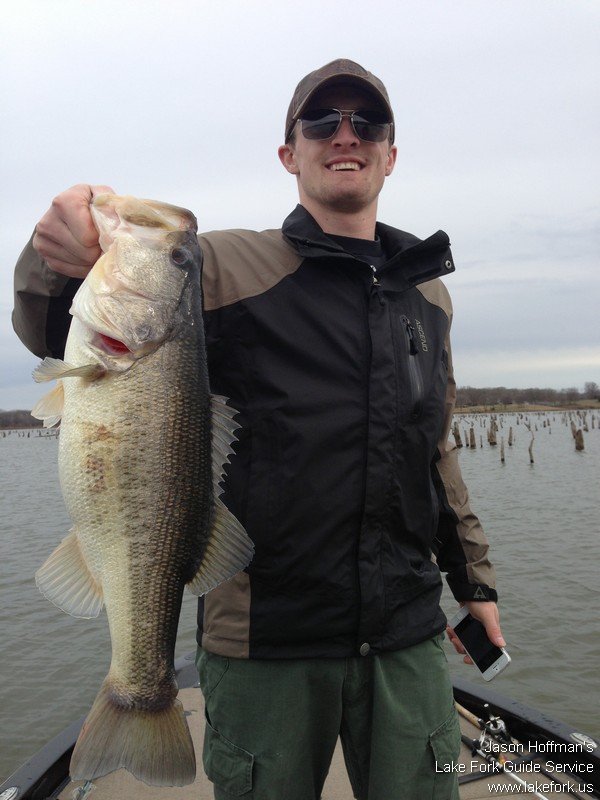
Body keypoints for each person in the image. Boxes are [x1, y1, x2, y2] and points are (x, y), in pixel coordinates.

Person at [13, 59, 504, 800]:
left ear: (391, 154)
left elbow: (435, 451)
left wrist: (474, 583)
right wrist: (58, 254)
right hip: (264, 643)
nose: (346, 136)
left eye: (367, 123)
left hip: (406, 630)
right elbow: (53, 329)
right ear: (289, 154)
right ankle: (136, 697)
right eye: (322, 122)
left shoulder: (429, 295)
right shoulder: (218, 267)